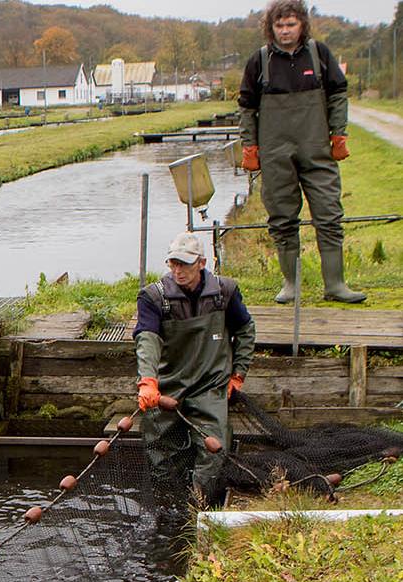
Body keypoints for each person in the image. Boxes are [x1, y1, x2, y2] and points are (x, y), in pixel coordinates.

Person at [238, 0, 364, 303]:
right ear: (271, 28)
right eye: (279, 26)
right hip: (275, 154)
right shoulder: (259, 60)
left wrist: (339, 133)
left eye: (290, 25)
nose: (285, 31)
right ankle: (291, 285)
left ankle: (335, 284)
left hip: (317, 149)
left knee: (329, 214)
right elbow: (246, 107)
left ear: (302, 25)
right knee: (281, 218)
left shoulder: (319, 54)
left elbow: (337, 95)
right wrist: (249, 145)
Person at [134, 233, 257, 506]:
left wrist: (238, 373)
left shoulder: (225, 292)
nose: (178, 271)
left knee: (214, 451)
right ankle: (169, 508)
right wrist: (148, 381)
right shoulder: (153, 298)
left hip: (209, 386)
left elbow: (245, 329)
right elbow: (147, 340)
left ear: (201, 263)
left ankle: (199, 509)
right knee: (162, 454)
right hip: (168, 385)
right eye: (173, 264)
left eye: (185, 265)